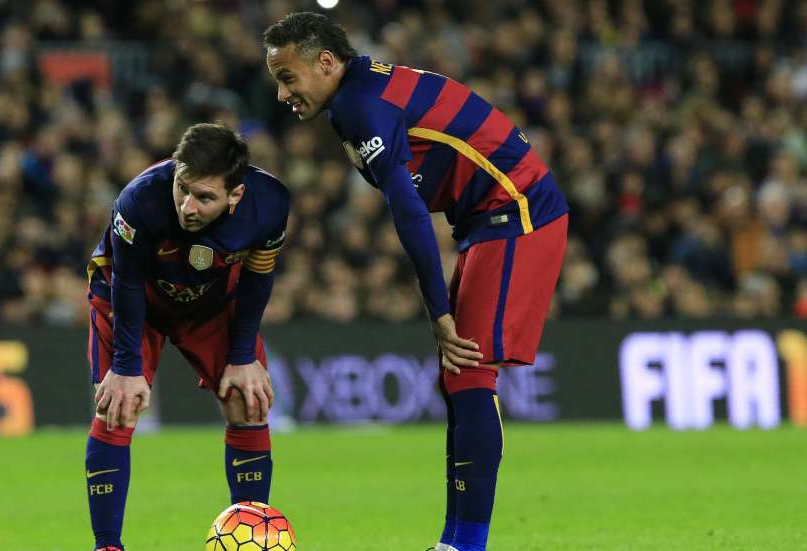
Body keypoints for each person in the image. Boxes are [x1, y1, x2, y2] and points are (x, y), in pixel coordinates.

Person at [263, 13, 568, 551]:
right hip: (485, 219)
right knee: (457, 378)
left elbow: (407, 211)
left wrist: (438, 310)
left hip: (517, 209)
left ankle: (467, 545)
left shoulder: (358, 105)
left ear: (326, 62)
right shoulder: (360, 91)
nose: (282, 93)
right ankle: (454, 542)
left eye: (288, 77)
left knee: (469, 373)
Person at [84, 123, 289, 551]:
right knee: (117, 407)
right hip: (134, 301)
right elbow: (125, 281)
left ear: (236, 195)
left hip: (212, 302)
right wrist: (125, 367)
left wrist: (242, 356)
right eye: (183, 189)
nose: (187, 207)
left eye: (205, 197)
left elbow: (257, 278)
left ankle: (253, 534)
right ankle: (107, 546)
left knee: (247, 400)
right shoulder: (139, 199)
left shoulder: (270, 205)